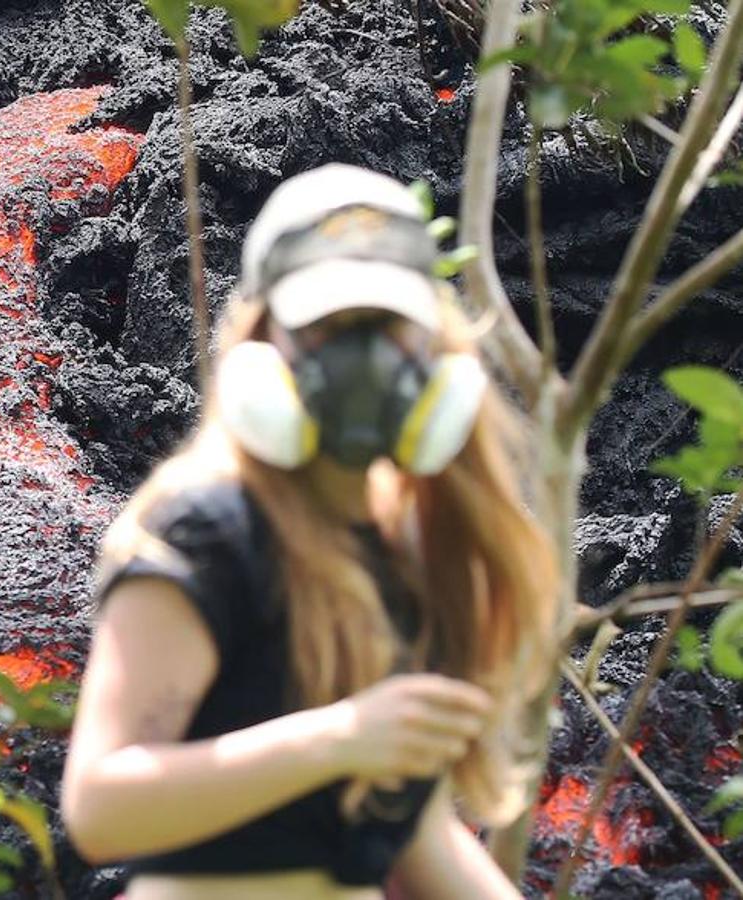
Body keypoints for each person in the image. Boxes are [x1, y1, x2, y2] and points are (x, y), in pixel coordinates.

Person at [59, 164, 560, 900]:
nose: (364, 362)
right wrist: (339, 738)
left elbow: (412, 839)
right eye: (328, 328)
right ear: (262, 345)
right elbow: (101, 809)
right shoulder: (203, 535)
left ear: (434, 351)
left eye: (388, 328)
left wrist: (359, 743)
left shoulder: (402, 550)